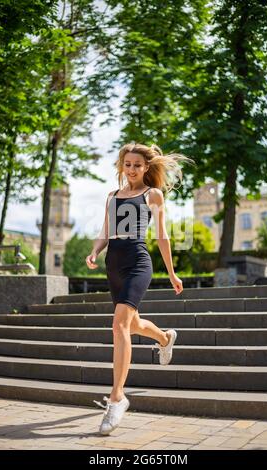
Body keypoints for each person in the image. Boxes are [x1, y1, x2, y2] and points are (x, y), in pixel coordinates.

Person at [86, 143, 193, 435]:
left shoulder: (152, 195)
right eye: (127, 164)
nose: (131, 169)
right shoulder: (112, 196)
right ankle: (164, 337)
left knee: (119, 325)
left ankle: (117, 397)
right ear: (122, 166)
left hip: (138, 263)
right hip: (113, 266)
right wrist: (94, 252)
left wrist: (172, 274)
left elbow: (162, 236)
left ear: (146, 168)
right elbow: (105, 231)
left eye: (137, 165)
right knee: (131, 325)